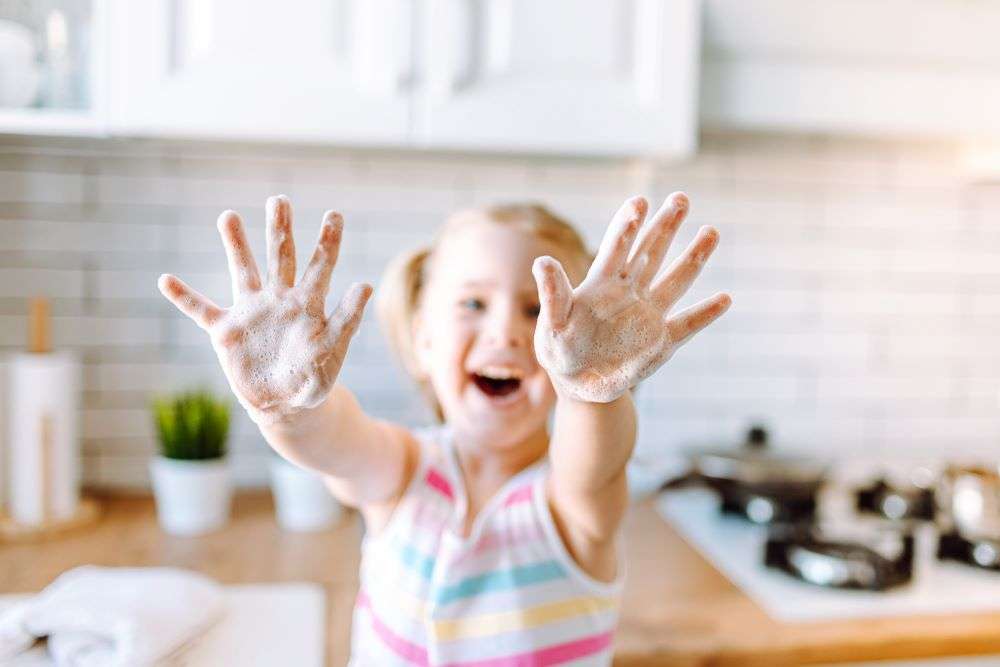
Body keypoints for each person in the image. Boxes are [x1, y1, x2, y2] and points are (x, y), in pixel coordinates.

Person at [158, 193, 730, 665]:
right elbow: (332, 441)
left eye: (538, 310)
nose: (506, 330)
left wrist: (593, 391)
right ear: (423, 341)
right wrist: (287, 407)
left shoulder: (569, 504)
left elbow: (597, 465)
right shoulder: (403, 469)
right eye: (472, 303)